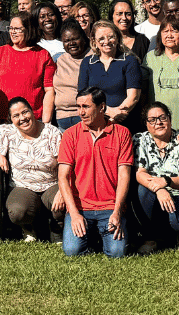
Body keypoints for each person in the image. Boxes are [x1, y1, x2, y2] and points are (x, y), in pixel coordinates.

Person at [57, 87, 134, 258]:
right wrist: (74, 213)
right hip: (80, 207)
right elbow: (62, 176)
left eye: (86, 106)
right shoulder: (70, 135)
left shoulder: (122, 133)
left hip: (110, 207)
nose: (80, 112)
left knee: (117, 253)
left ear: (101, 107)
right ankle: (90, 237)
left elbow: (124, 176)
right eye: (78, 107)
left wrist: (117, 211)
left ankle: (97, 237)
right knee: (72, 251)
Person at [133, 101, 179, 253]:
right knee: (142, 191)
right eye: (152, 120)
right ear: (146, 124)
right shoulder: (139, 140)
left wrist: (167, 182)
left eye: (162, 118)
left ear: (170, 119)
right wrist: (159, 189)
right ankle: (150, 238)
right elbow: (140, 173)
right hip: (155, 193)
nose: (158, 123)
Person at [0, 97, 62, 242]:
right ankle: (29, 228)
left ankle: (57, 229)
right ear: (11, 119)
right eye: (16, 115)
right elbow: (0, 142)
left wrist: (63, 191)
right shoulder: (6, 131)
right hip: (23, 185)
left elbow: (64, 164)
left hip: (51, 183)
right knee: (18, 211)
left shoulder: (52, 133)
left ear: (33, 112)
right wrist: (0, 154)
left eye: (25, 112)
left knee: (63, 204)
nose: (22, 118)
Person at [0, 11, 56, 124]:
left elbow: (49, 90)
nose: (13, 32)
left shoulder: (42, 55)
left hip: (32, 121)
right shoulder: (0, 52)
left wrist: (45, 123)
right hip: (4, 120)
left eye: (17, 29)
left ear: (29, 29)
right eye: (10, 28)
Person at [79, 23, 146, 132]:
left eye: (111, 37)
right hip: (95, 124)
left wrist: (117, 114)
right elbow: (83, 96)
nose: (106, 42)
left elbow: (133, 97)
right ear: (94, 41)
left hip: (126, 122)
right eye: (101, 38)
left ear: (118, 38)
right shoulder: (87, 63)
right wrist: (109, 112)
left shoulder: (129, 61)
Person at [144, 21, 179, 135]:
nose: (169, 35)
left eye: (174, 31)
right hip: (158, 124)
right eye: (165, 31)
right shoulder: (150, 57)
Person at [51, 24, 92, 131]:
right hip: (61, 119)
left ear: (84, 39)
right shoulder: (59, 59)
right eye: (67, 41)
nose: (71, 43)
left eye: (75, 39)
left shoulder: (93, 58)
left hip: (84, 117)